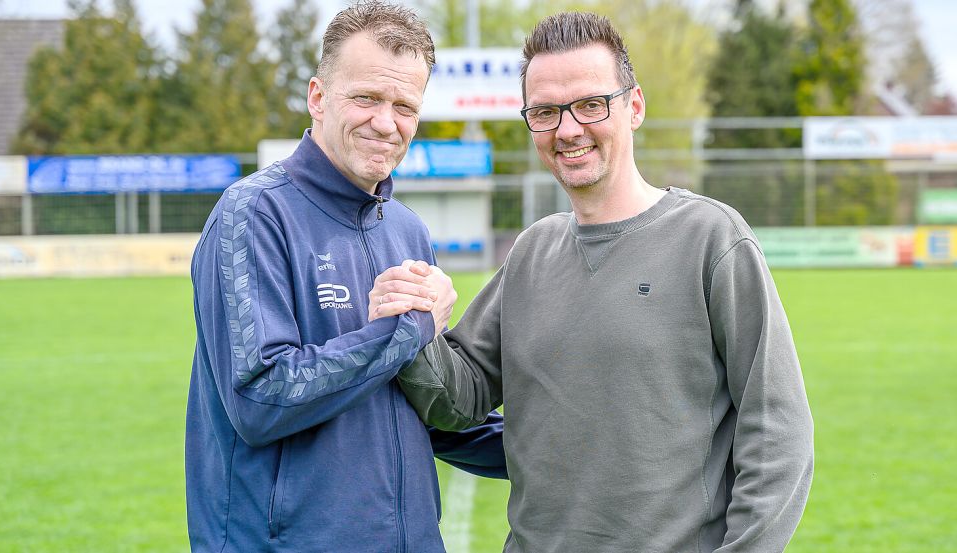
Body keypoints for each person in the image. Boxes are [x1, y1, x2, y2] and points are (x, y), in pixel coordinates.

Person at [370, 11, 814, 553]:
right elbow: (456, 401)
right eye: (546, 112)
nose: (569, 129)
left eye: (590, 105)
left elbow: (778, 432)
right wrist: (413, 314)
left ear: (635, 106)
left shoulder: (711, 239)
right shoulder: (532, 252)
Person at [184, 2, 506, 552]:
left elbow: (428, 407)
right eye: (367, 98)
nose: (386, 122)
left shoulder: (408, 231)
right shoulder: (253, 214)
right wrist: (408, 330)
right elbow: (262, 397)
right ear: (318, 97)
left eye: (405, 106)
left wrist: (567, 447)